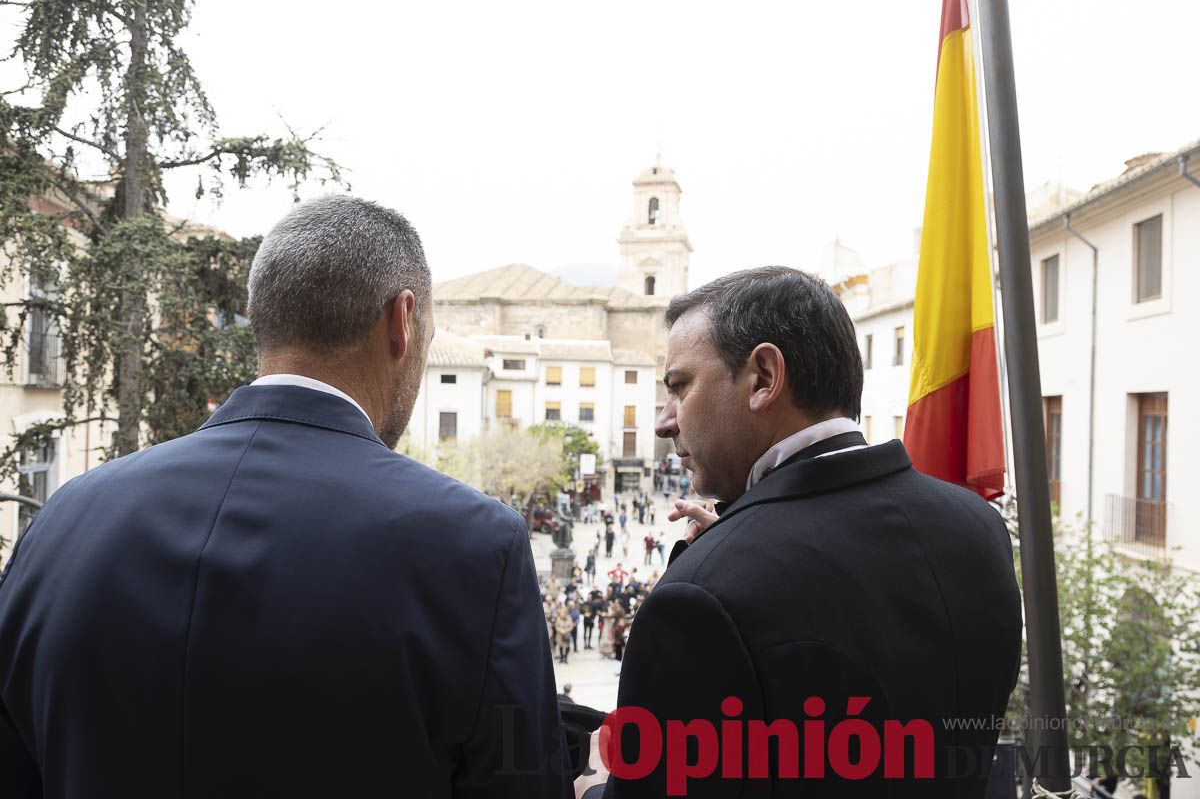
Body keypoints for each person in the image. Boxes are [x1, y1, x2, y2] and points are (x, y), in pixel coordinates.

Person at [0, 196, 570, 799]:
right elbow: (521, 778)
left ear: (261, 316)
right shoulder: (476, 545)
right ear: (403, 321)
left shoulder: (64, 518)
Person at [579, 267, 1021, 798]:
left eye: (679, 386)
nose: (665, 421)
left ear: (764, 377)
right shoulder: (978, 527)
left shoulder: (703, 595)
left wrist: (595, 790)